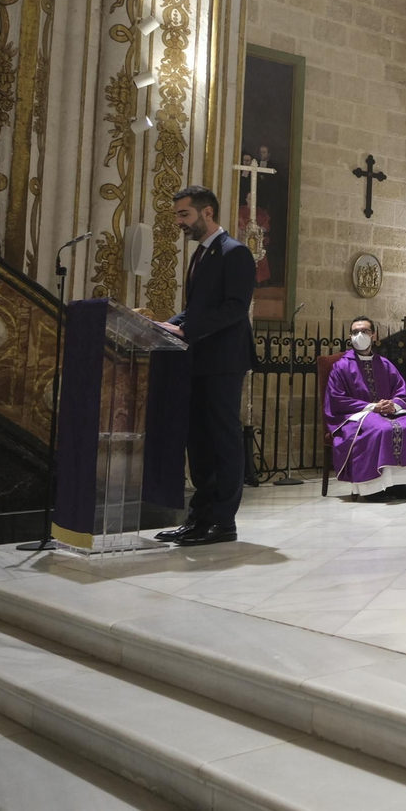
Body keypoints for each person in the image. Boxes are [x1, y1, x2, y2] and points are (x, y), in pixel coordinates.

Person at [154, 186, 256, 545]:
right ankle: (198, 517)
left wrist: (185, 328)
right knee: (198, 440)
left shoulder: (236, 252)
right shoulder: (204, 254)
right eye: (178, 215)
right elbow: (198, 309)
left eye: (185, 215)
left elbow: (234, 308)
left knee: (222, 439)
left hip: (224, 360)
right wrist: (167, 324)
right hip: (198, 357)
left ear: (207, 212)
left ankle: (223, 521)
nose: (180, 222)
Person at [324, 316, 406, 501]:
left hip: (388, 412)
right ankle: (373, 488)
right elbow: (337, 399)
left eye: (364, 331)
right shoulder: (341, 366)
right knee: (382, 430)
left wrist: (393, 405)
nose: (359, 335)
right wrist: (372, 407)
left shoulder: (384, 364)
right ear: (350, 336)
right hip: (356, 416)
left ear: (374, 336)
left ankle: (401, 485)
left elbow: (401, 391)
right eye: (355, 332)